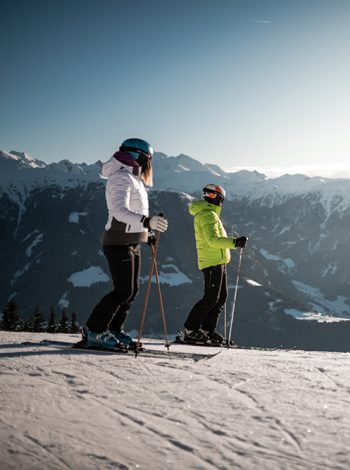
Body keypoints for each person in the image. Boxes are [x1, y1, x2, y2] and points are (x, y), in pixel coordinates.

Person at [84, 138, 168, 349]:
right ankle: (93, 331)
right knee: (122, 291)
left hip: (132, 240)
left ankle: (113, 329)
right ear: (139, 157)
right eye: (149, 160)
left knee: (132, 290)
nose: (150, 165)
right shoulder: (121, 178)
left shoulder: (134, 178)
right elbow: (119, 211)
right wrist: (147, 222)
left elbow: (137, 211)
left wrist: (146, 232)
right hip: (117, 241)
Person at [179, 184, 247, 345]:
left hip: (218, 261)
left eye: (210, 194)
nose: (208, 197)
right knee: (211, 298)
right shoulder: (207, 215)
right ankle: (189, 330)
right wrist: (235, 242)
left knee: (220, 298)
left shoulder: (210, 214)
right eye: (206, 194)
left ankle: (206, 330)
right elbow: (212, 240)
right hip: (211, 262)